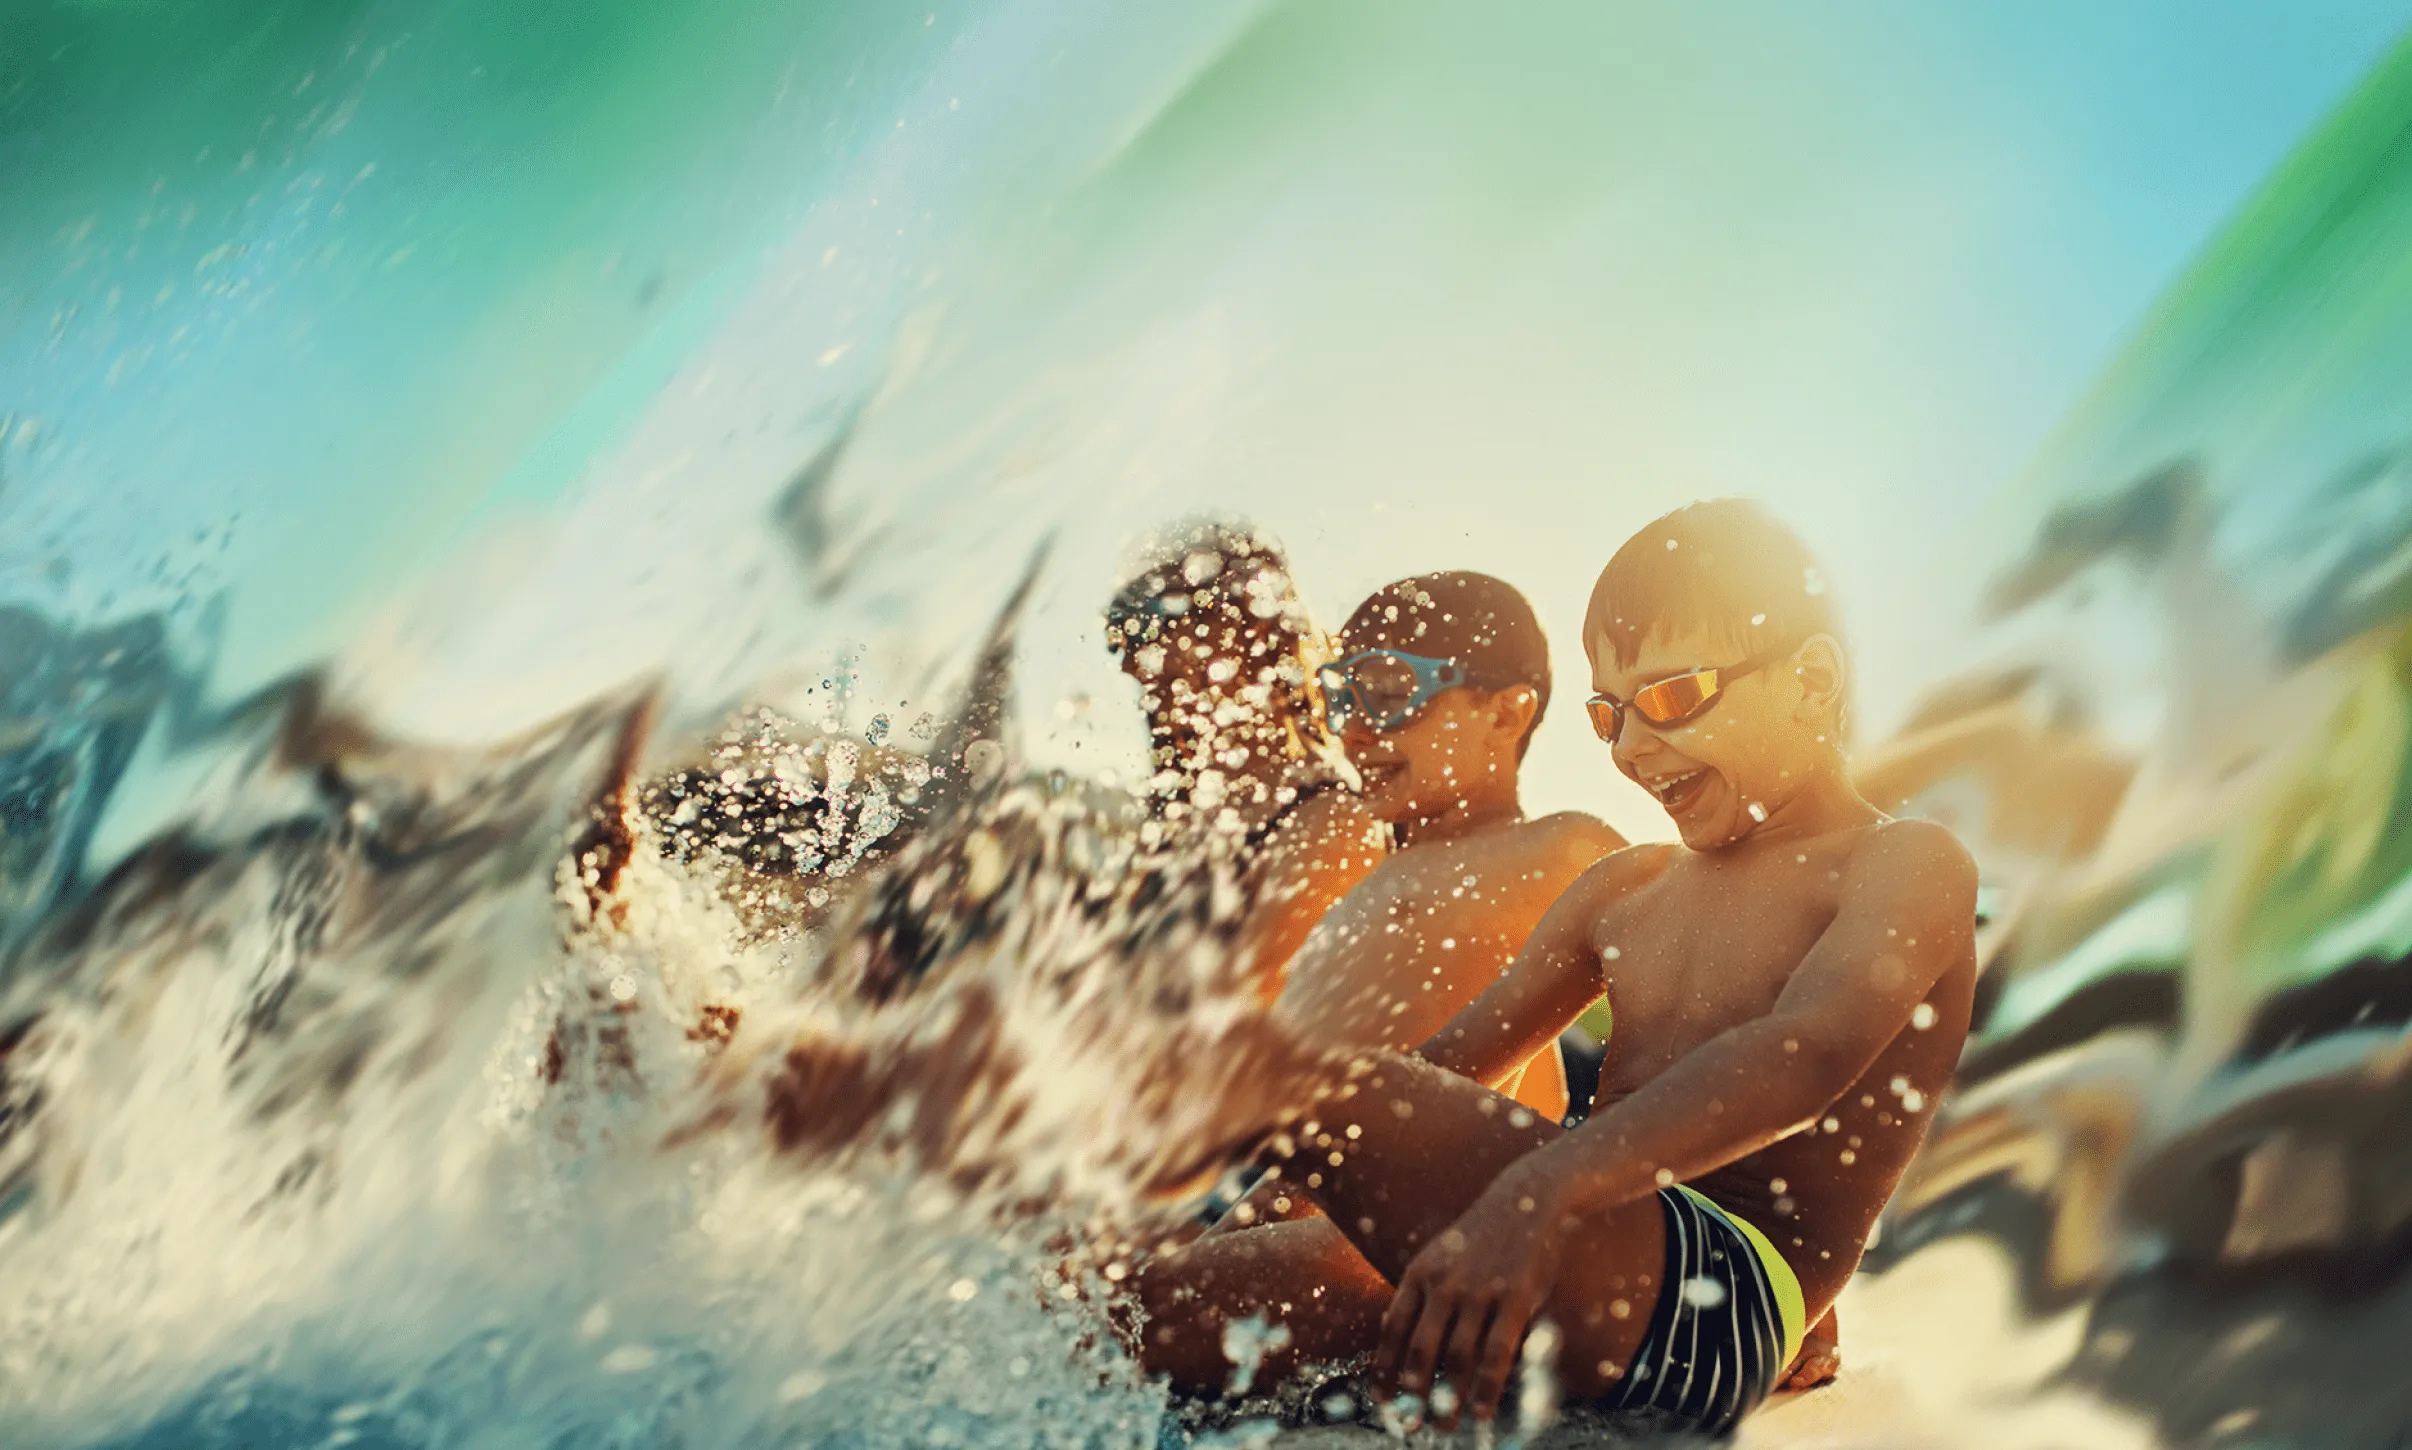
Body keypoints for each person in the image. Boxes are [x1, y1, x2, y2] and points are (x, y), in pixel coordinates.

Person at [1127, 500, 1977, 1437]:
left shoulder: (1903, 861)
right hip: (1573, 1249)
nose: (1631, 748)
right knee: (1142, 1317)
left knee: (1286, 1069)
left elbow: (1806, 1054)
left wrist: (1534, 1194)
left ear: (1811, 678)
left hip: (1715, 1294)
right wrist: (1241, 1242)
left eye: (1670, 696)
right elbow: (1442, 1074)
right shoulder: (1629, 889)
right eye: (1608, 714)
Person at [1273, 571, 1626, 1119]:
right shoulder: (1384, 869)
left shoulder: (1553, 850)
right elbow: (1533, 1090)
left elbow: (1702, 959)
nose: (1353, 731)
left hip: (1335, 1189)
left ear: (1505, 715)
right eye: (1340, 698)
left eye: (1388, 693)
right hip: (1277, 1185)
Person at [1104, 521, 1385, 1001]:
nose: (1133, 660)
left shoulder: (1327, 824)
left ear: (1250, 619)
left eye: (1157, 615)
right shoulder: (1184, 817)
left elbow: (1249, 1034)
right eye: (1122, 630)